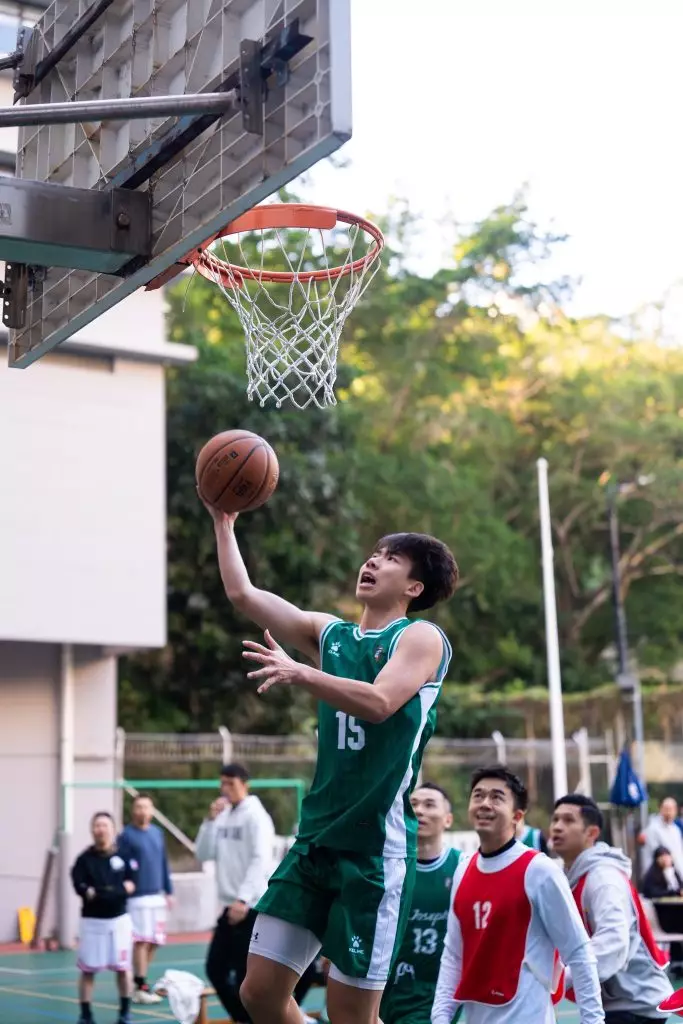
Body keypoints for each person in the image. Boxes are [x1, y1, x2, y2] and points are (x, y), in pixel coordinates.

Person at [202, 499, 458, 1024]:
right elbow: (243, 593)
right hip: (315, 842)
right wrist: (223, 523)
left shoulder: (419, 637)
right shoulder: (331, 635)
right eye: (374, 553)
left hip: (374, 853)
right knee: (259, 994)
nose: (373, 561)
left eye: (390, 558)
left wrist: (302, 673)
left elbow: (380, 702)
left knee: (352, 1017)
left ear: (414, 587)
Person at [431, 765, 603, 1024]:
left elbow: (579, 952)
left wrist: (593, 1021)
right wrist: (440, 1017)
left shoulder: (539, 870)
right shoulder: (463, 870)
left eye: (496, 797)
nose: (485, 803)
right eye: (478, 795)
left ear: (517, 815)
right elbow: (454, 954)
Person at [550, 793, 673, 1023]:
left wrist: (563, 978)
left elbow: (613, 942)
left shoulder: (602, 879)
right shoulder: (573, 877)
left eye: (568, 820)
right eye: (555, 819)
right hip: (618, 1003)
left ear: (592, 833)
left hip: (635, 1005)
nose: (557, 827)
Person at [195, 762, 277, 1022]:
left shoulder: (257, 816)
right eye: (222, 783)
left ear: (245, 784)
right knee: (215, 969)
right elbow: (203, 854)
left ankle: (254, 1018)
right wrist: (209, 821)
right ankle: (244, 1018)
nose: (225, 788)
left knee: (245, 976)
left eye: (230, 783)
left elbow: (260, 860)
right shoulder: (222, 816)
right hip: (230, 906)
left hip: (250, 907)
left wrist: (243, 898)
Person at [379, 782, 462, 1024]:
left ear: (448, 819)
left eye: (429, 804)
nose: (419, 810)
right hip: (385, 986)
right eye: (413, 804)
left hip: (436, 991)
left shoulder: (462, 868)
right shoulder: (386, 866)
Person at [71, 811, 137, 1024]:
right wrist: (110, 891)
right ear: (92, 830)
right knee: (88, 970)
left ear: (113, 830)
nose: (101, 829)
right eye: (97, 825)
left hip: (119, 921)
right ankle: (86, 1015)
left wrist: (105, 891)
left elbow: (131, 884)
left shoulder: (125, 856)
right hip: (92, 922)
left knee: (123, 968)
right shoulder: (83, 860)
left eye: (105, 825)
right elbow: (81, 887)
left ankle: (125, 1012)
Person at [118, 793, 174, 1004]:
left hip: (156, 896)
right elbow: (120, 864)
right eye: (139, 807)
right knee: (141, 941)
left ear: (152, 811)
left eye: (146, 807)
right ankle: (140, 986)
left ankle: (138, 979)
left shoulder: (157, 833)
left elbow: (163, 862)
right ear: (133, 810)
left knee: (154, 941)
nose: (143, 811)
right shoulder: (126, 836)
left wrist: (169, 890)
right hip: (137, 898)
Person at [641, 846, 683, 974]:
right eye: (662, 856)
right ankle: (677, 961)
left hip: (676, 913)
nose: (665, 859)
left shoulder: (673, 872)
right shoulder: (653, 875)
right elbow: (652, 892)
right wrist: (673, 892)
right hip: (664, 918)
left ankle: (678, 960)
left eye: (667, 856)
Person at [643, 797, 683, 878]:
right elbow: (657, 854)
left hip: (677, 874)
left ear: (675, 811)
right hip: (659, 876)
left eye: (671, 809)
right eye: (666, 809)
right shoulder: (653, 829)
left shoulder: (676, 830)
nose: (669, 812)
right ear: (661, 809)